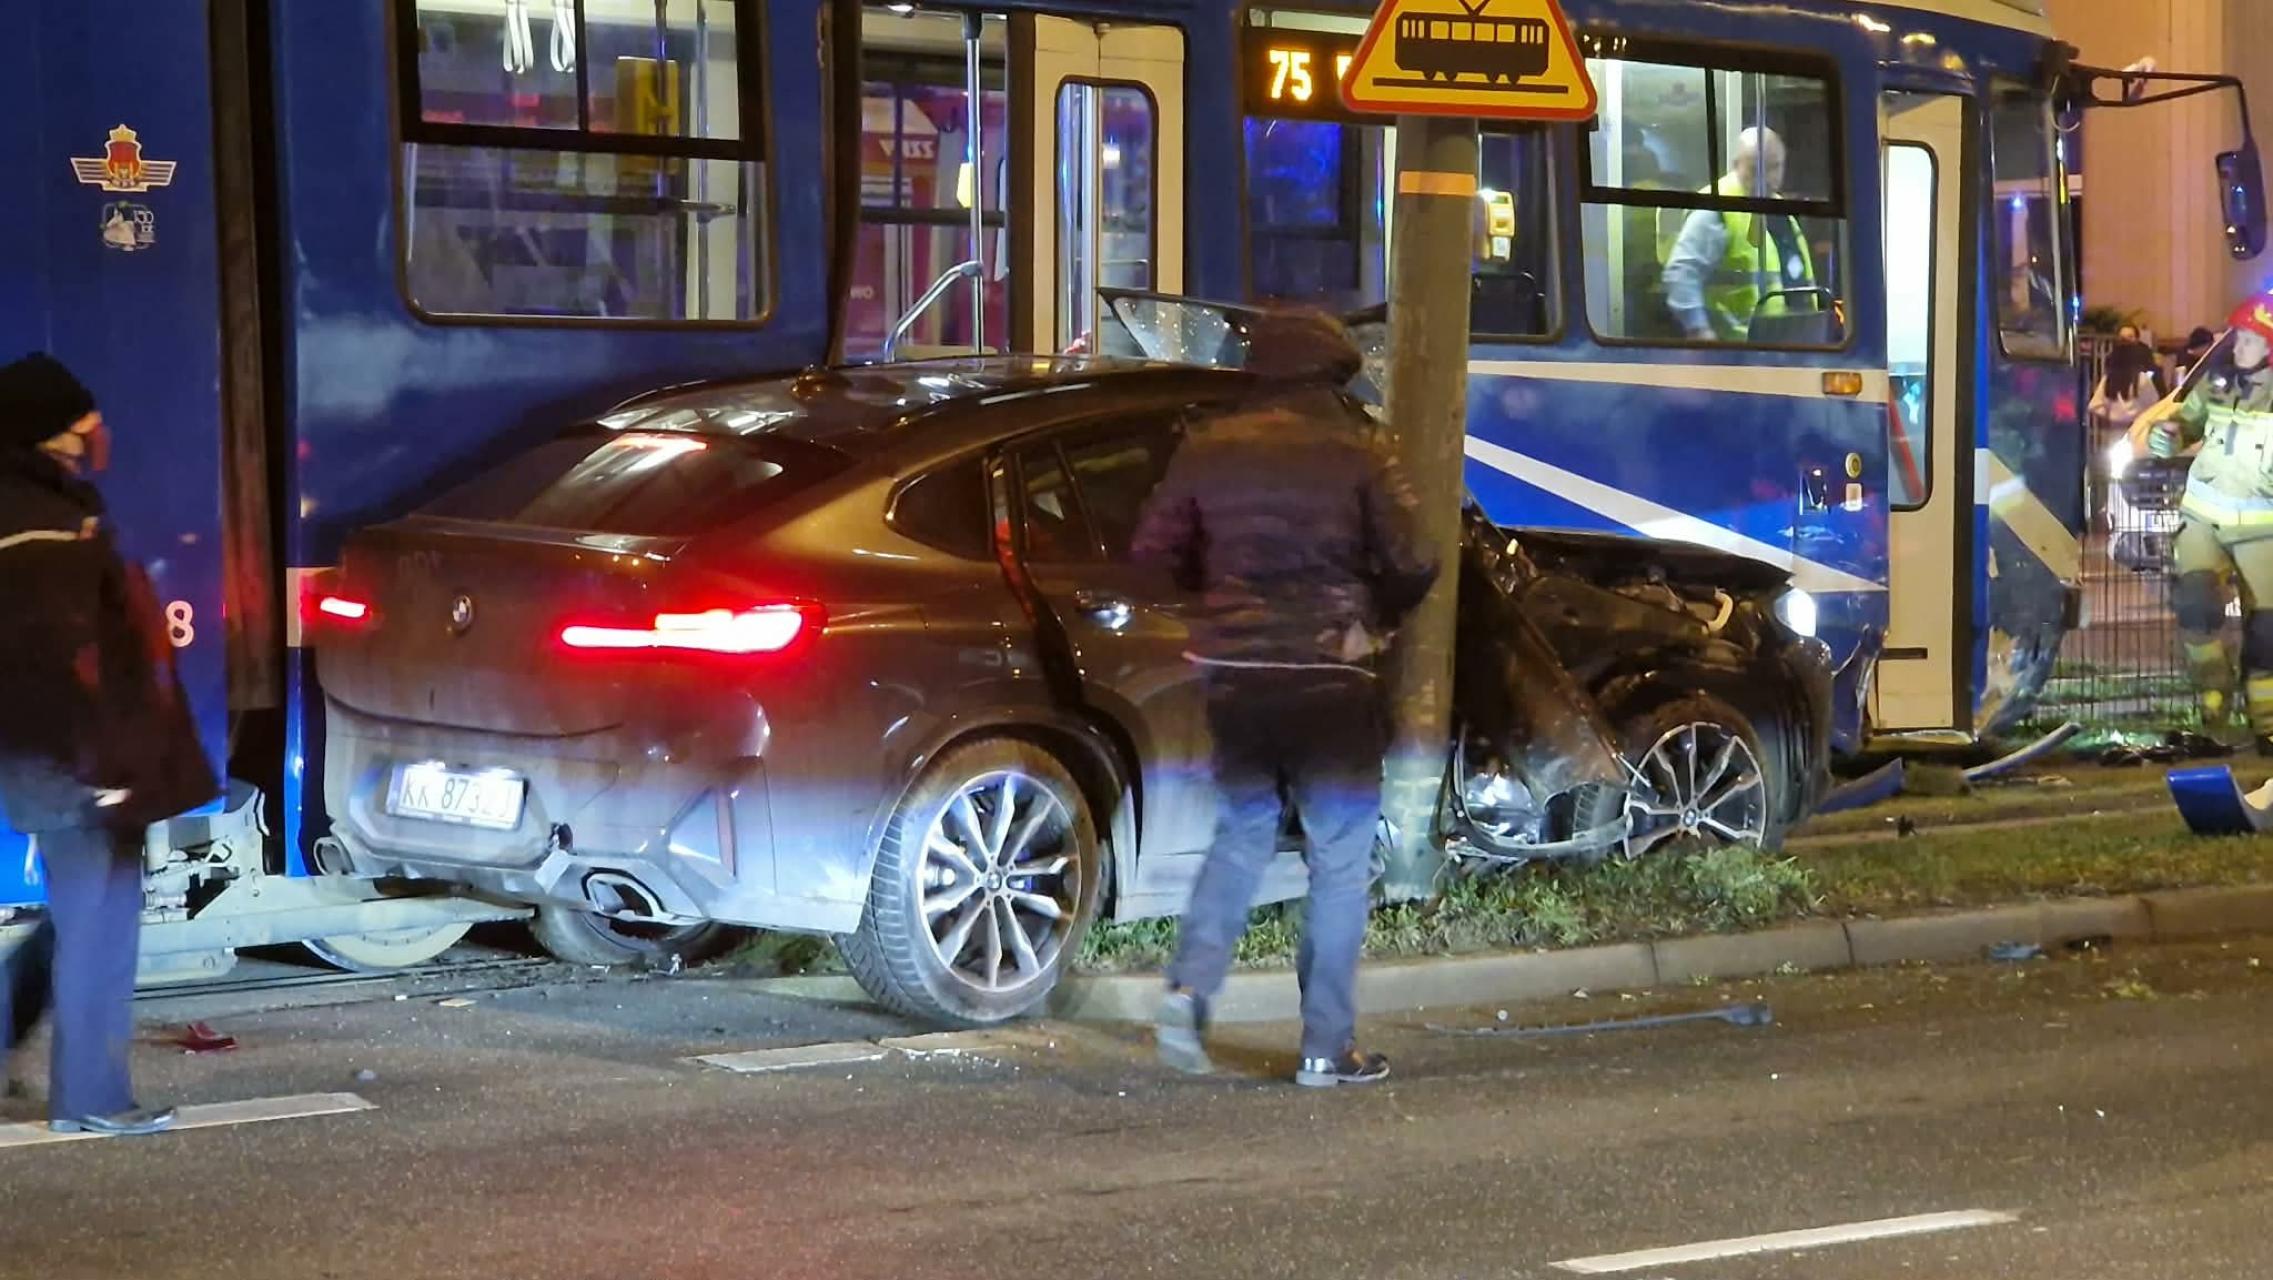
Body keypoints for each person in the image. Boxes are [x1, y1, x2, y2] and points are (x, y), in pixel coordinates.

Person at [1130, 309, 1439, 1088]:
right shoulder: (1361, 446)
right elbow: (1415, 559)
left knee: (1241, 833)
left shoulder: (1208, 445)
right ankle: (1324, 1047)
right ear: (1330, 371)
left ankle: (1189, 988)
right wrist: (1375, 619)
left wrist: (1214, 611)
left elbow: (1149, 553)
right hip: (1330, 672)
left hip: (1235, 673)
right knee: (1338, 859)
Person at [0, 353, 215, 1135]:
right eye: (87, 421)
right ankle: (90, 1100)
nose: (102, 434)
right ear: (55, 430)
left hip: (58, 758)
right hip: (75, 761)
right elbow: (59, 659)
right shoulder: (43, 527)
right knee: (101, 922)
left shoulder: (39, 510)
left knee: (79, 913)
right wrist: (102, 770)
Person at [2149, 295, 2273, 749]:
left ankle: (2268, 728)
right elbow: (2186, 423)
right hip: (2203, 519)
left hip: (2264, 531)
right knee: (2197, 609)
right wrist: (2169, 436)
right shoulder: (2218, 385)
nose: (2237, 346)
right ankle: (2213, 713)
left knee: (2267, 635)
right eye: (2238, 336)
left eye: (2250, 339)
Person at [1660, 127, 1820, 343]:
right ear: (1736, 165)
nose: (1767, 178)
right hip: (1734, 353)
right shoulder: (1717, 207)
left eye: (1774, 167)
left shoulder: (1781, 211)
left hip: (1789, 347)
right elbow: (1681, 273)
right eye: (1756, 169)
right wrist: (1698, 330)